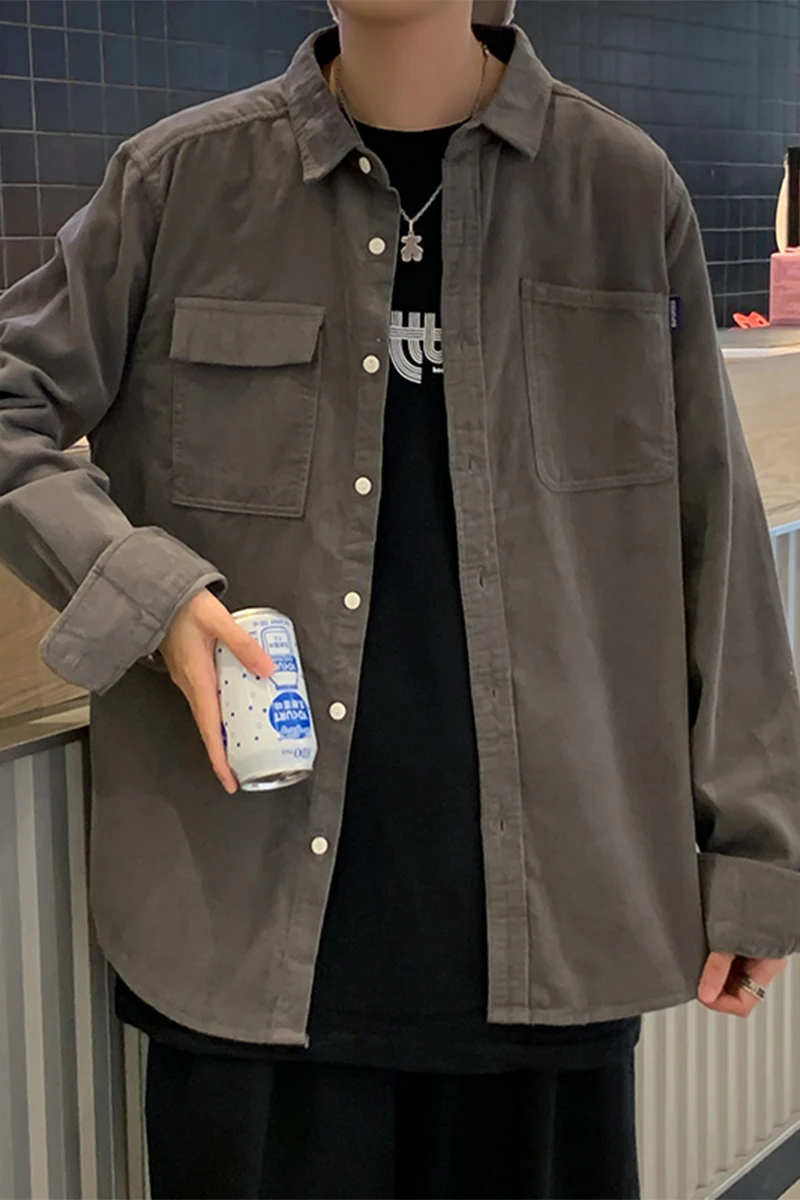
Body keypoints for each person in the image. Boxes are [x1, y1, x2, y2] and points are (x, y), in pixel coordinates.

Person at [1, 0, 799, 1195]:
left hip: (555, 935)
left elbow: (712, 537)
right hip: (242, 942)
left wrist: (754, 850)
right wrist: (147, 595)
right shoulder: (178, 184)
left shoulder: (621, 194)